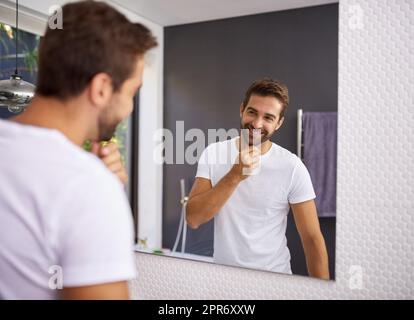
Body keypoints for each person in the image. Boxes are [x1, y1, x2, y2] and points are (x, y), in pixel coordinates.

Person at [0, 0, 157, 299]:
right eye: (132, 92)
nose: (130, 106)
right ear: (101, 88)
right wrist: (97, 190)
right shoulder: (88, 187)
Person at [186, 78, 329, 279]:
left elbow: (312, 239)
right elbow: (193, 218)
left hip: (274, 281)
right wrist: (235, 175)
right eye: (252, 112)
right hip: (224, 281)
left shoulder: (292, 167)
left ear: (279, 123)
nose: (257, 123)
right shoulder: (213, 154)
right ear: (242, 109)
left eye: (268, 117)